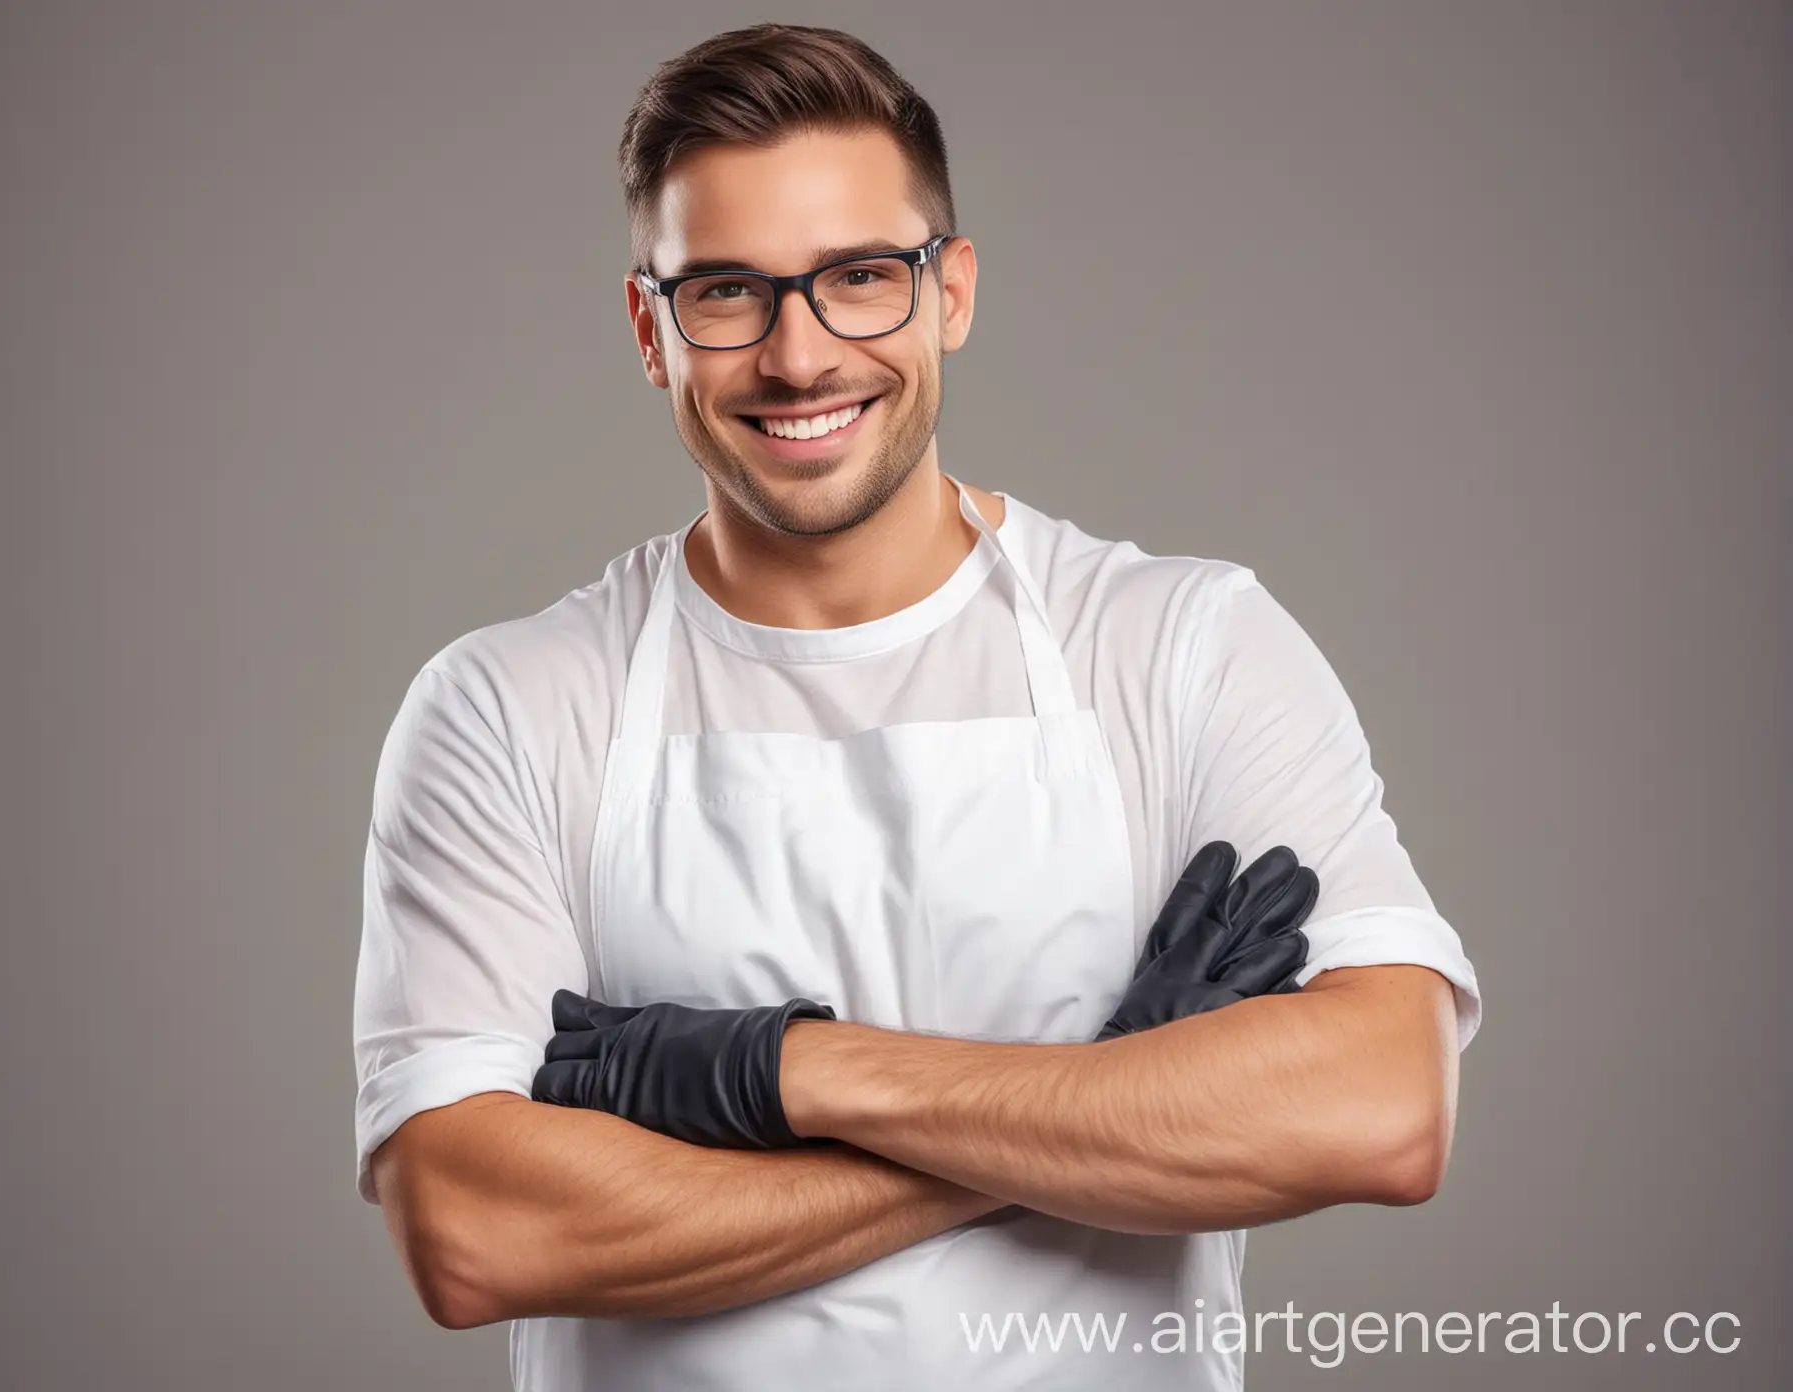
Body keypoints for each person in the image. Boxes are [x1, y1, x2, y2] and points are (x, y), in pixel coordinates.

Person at [352, 22, 1481, 1391]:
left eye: (860, 278)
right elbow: (474, 1234)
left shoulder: (1181, 644)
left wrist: (789, 1075)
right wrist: (1100, 1094)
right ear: (652, 329)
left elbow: (1381, 1110)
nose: (800, 354)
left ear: (950, 293)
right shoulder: (510, 708)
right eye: (726, 293)